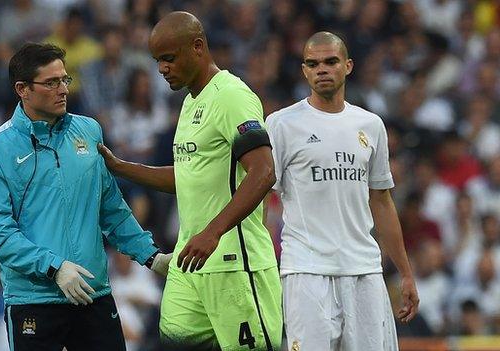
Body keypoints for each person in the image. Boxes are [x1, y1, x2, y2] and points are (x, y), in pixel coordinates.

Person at [98, 11, 282, 351]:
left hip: (234, 265)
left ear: (197, 47)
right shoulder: (189, 103)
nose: (161, 69)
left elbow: (263, 171)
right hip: (190, 263)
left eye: (168, 58)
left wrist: (212, 232)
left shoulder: (231, 96)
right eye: (157, 61)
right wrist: (121, 167)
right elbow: (188, 177)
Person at [0, 43, 171, 351]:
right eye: (51, 82)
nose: (62, 89)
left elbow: (110, 207)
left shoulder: (89, 131)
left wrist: (150, 255)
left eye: (65, 79)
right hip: (33, 300)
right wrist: (54, 267)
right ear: (22, 89)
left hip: (94, 294)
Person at [265, 31, 419, 350]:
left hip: (363, 267)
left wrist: (405, 272)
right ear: (304, 70)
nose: (322, 69)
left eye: (330, 61)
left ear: (347, 66)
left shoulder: (370, 125)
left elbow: (381, 199)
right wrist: (263, 265)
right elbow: (264, 199)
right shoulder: (281, 124)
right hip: (306, 269)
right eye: (313, 63)